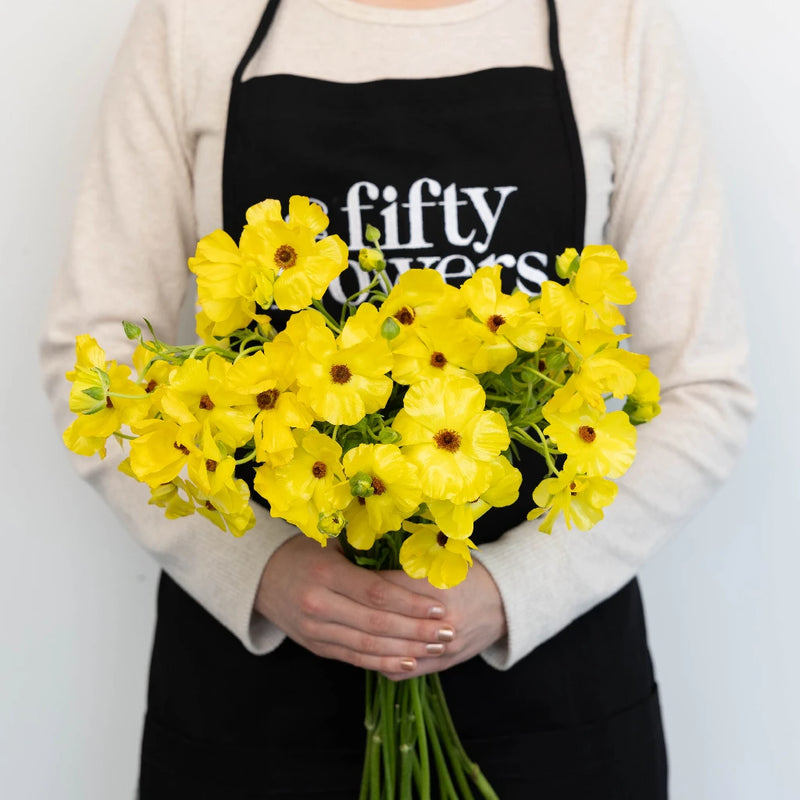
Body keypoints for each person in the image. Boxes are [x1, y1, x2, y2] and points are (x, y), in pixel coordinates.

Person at [40, 0, 754, 797]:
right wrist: (259, 570)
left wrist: (513, 590)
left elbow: (703, 386)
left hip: (551, 700)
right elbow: (91, 358)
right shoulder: (195, 20)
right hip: (258, 703)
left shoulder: (612, 25)